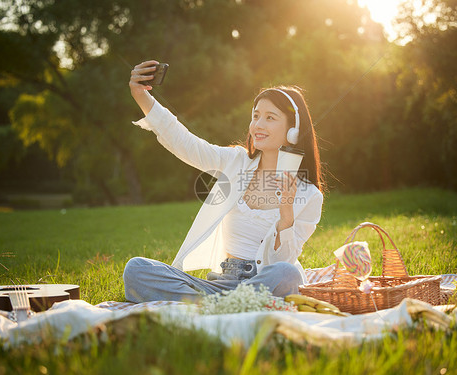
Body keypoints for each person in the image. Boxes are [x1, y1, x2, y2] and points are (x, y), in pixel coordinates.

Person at [123, 60, 324, 303]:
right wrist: (142, 97)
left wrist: (286, 216)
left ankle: (217, 307)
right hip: (220, 284)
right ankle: (227, 305)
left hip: (264, 283)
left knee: (288, 274)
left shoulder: (310, 195)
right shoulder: (236, 161)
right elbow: (187, 145)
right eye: (256, 116)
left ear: (293, 130)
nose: (258, 125)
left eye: (270, 117)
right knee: (137, 269)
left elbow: (283, 262)